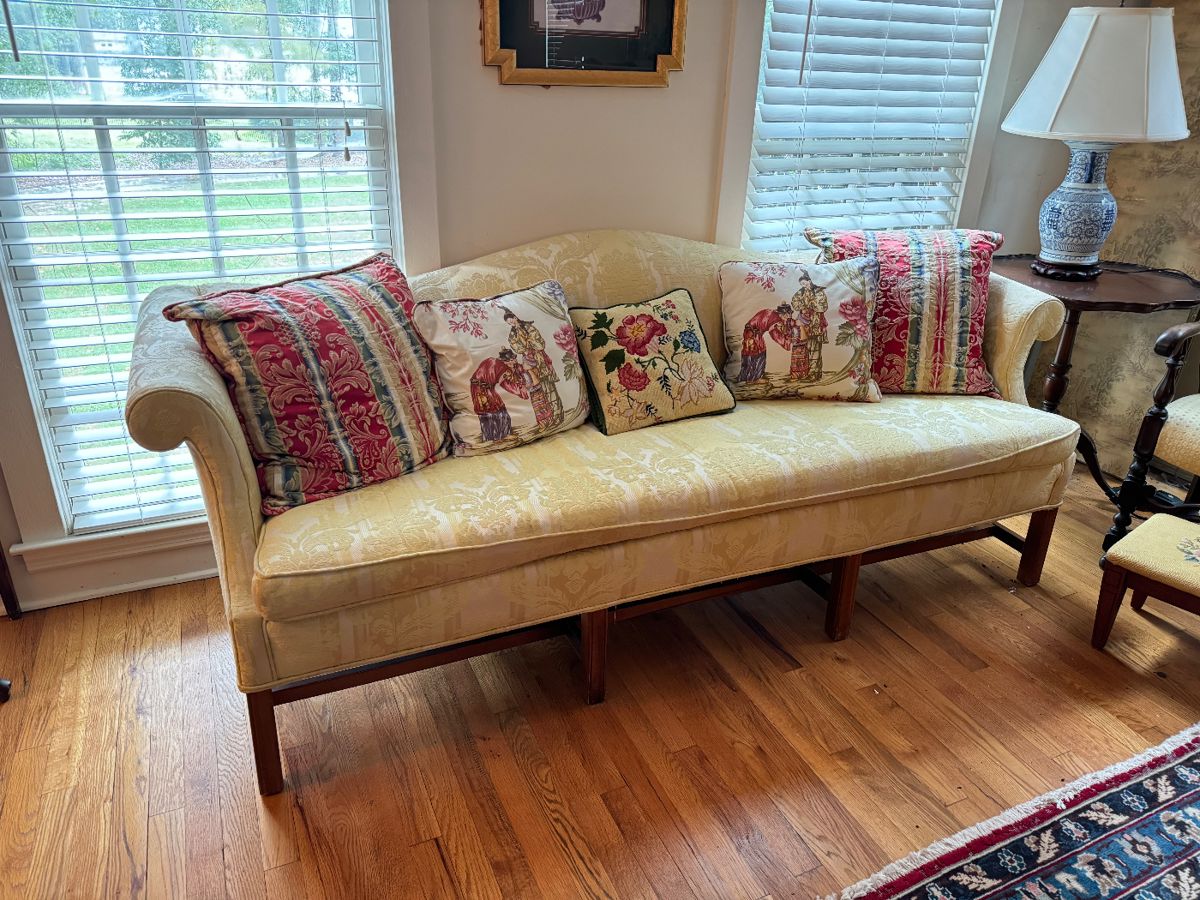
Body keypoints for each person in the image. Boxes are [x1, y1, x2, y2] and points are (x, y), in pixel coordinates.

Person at [504, 308, 563, 428]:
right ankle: (548, 418)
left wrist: (527, 345)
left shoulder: (529, 327)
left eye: (512, 321)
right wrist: (525, 348)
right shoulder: (513, 334)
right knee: (538, 390)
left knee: (549, 387)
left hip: (540, 360)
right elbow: (516, 347)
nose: (512, 324)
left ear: (515, 317)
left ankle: (558, 414)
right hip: (528, 361)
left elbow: (540, 344)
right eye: (509, 323)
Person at [469, 349, 527, 443]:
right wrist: (521, 392)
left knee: (495, 408)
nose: (514, 362)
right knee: (496, 410)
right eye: (512, 360)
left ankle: (493, 437)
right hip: (482, 390)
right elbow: (507, 385)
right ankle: (500, 436)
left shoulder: (495, 361)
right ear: (506, 361)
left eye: (514, 359)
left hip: (481, 388)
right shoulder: (502, 368)